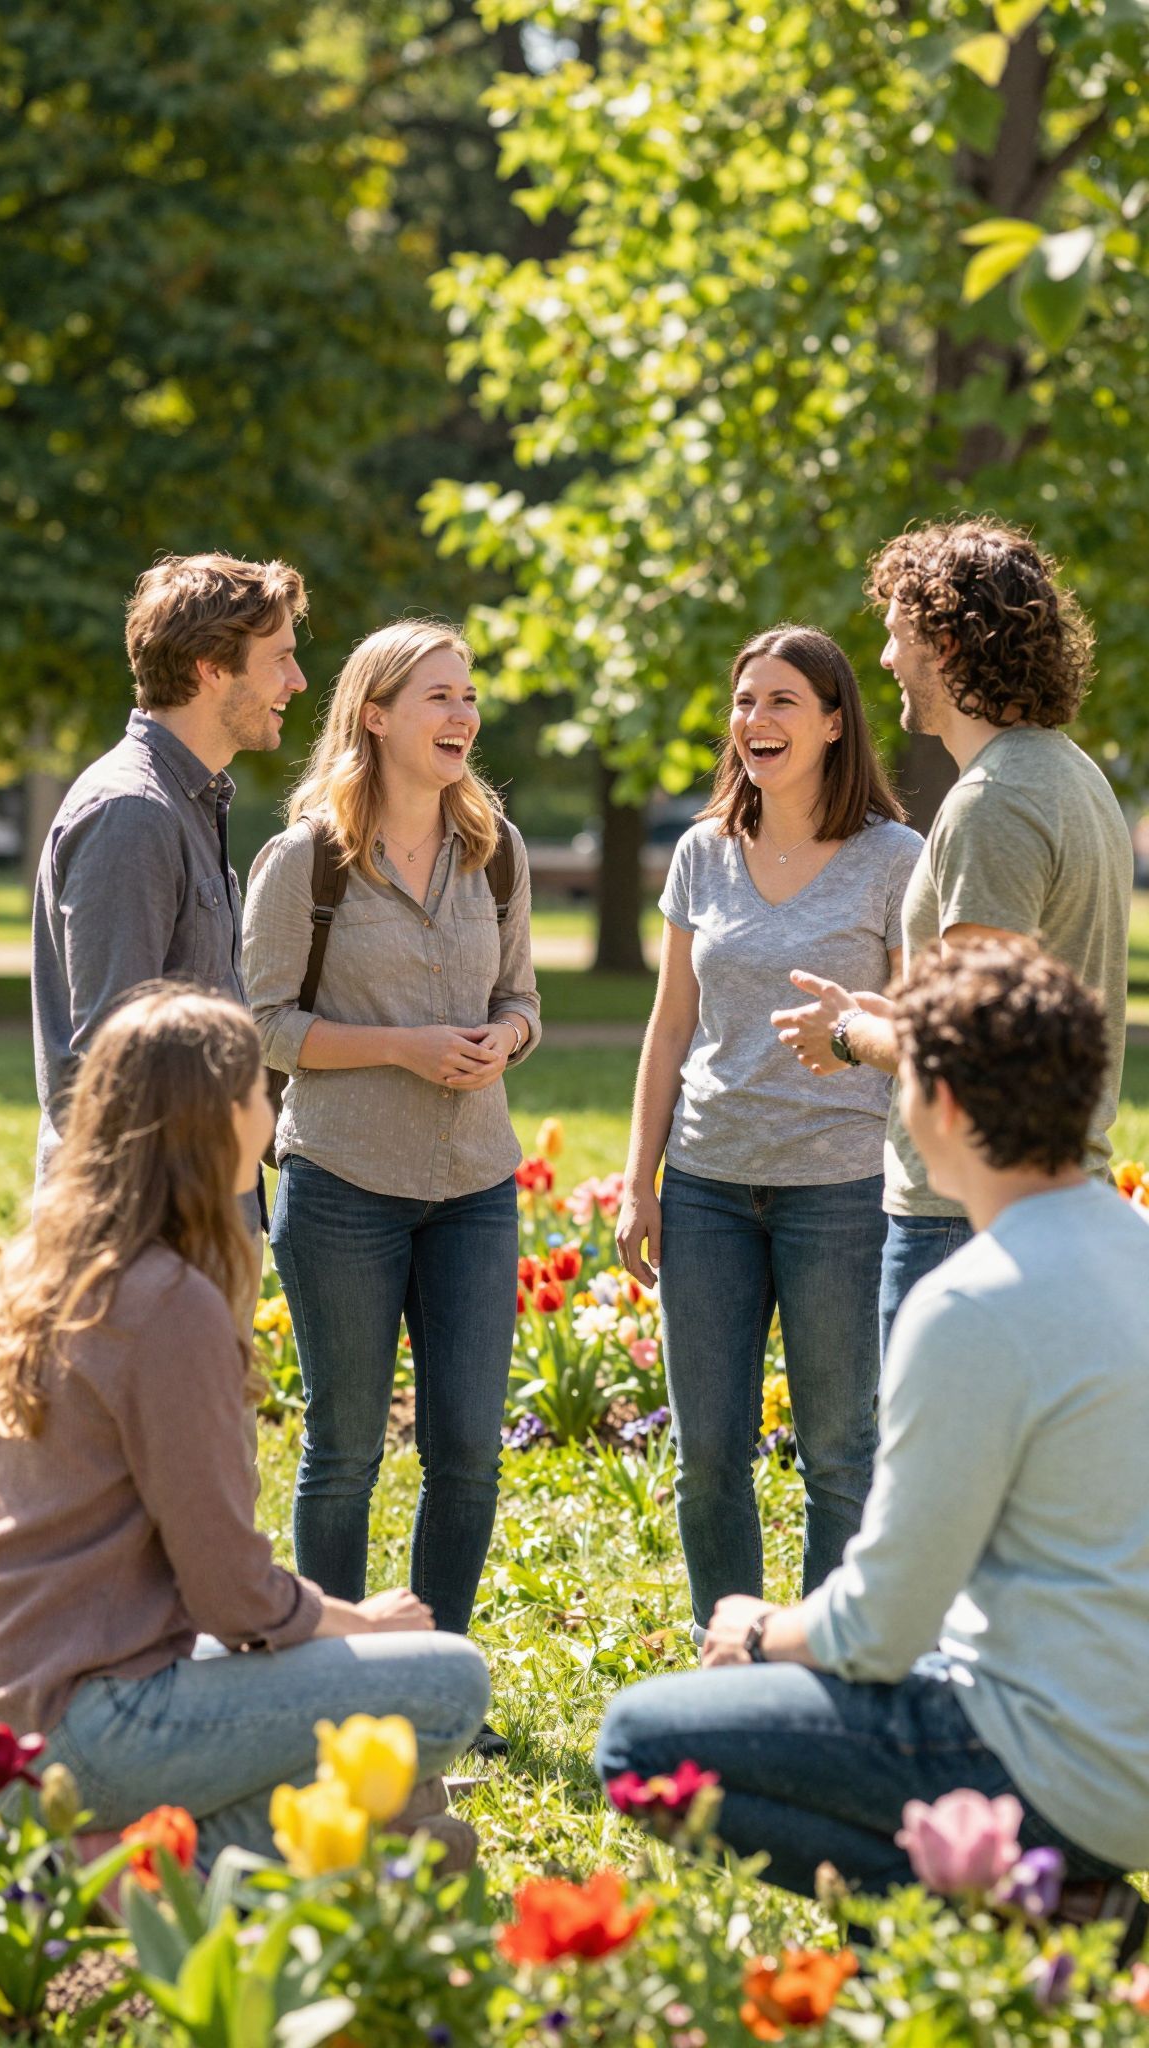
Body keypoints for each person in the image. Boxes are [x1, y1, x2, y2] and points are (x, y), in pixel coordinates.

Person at [598, 939, 1149, 1919]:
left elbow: (879, 1625)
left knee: (640, 1741)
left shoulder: (974, 1302)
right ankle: (1055, 1898)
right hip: (1125, 1740)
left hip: (1059, 1763)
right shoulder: (1134, 1250)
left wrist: (761, 1631)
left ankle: (1044, 1912)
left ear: (938, 1103)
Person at [0, 987, 489, 1867]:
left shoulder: (44, 1272)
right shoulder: (167, 1303)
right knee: (451, 1678)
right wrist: (364, 1627)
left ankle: (388, 1837)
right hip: (99, 1724)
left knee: (416, 1806)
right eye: (262, 1092)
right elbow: (232, 1593)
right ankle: (104, 1863)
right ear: (219, 1121)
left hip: (24, 1709)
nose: (273, 1107)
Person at [243, 619, 539, 1756]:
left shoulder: (495, 848)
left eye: (468, 696)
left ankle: (435, 1684)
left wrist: (504, 1036)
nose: (461, 715)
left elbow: (524, 997)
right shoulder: (305, 860)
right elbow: (266, 1021)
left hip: (474, 1182)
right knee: (347, 1442)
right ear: (374, 713)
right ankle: (333, 1684)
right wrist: (403, 1046)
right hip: (343, 1181)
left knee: (468, 1443)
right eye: (436, 695)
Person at [615, 625, 921, 1633]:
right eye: (746, 701)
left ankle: (826, 1659)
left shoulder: (894, 859)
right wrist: (638, 1179)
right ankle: (729, 1645)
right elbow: (670, 1026)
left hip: (839, 1191)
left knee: (839, 1450)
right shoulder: (703, 853)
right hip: (706, 1185)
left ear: (836, 722)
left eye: (782, 700)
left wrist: (850, 1033)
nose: (756, 720)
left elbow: (916, 1022)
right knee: (708, 1452)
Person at [771, 518, 1132, 1353]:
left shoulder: (993, 802)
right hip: (1047, 1201)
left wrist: (851, 1035)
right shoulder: (1068, 772)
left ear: (947, 642)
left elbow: (973, 1044)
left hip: (964, 1217)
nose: (888, 661)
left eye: (898, 637)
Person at [32, 550, 308, 1232]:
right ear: (211, 669)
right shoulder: (134, 813)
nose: (298, 681)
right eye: (279, 658)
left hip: (201, 1218)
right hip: (154, 1232)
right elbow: (111, 1067)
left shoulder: (190, 802)